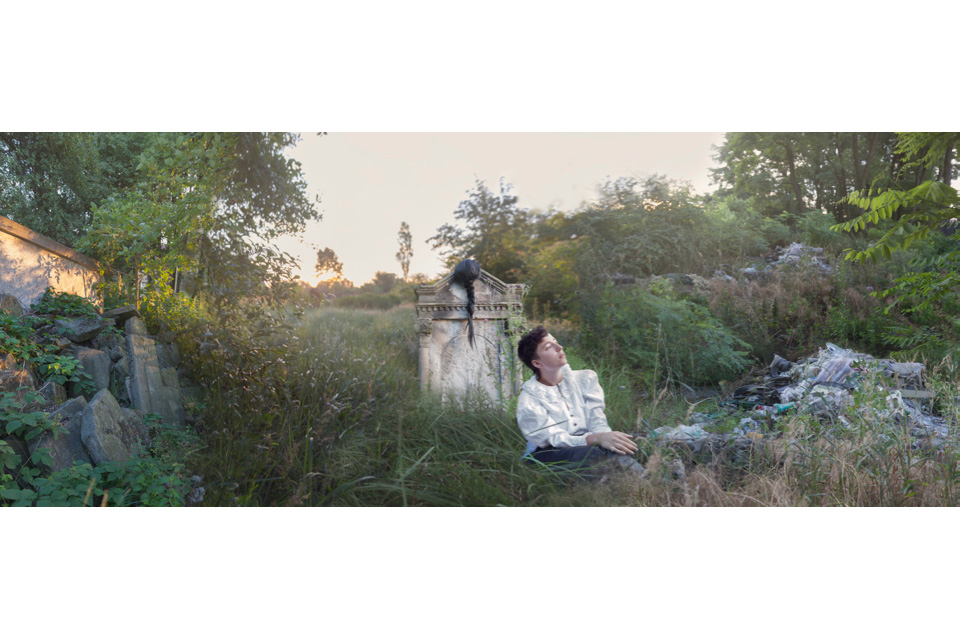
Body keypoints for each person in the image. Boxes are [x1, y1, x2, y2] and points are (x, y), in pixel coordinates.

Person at [515, 325, 645, 476]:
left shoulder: (584, 379)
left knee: (628, 444)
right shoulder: (530, 397)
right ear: (537, 363)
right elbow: (553, 439)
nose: (559, 347)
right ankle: (640, 480)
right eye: (549, 347)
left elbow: (597, 421)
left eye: (556, 341)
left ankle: (645, 480)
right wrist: (594, 439)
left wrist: (605, 439)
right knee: (592, 455)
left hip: (590, 444)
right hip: (546, 454)